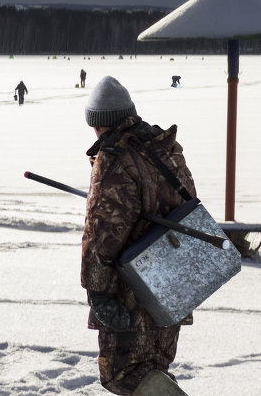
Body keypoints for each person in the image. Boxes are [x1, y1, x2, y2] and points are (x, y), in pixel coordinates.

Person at [81, 76, 194, 396]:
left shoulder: (115, 158)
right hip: (176, 280)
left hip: (135, 288)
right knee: (154, 367)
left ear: (98, 124)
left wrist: (98, 291)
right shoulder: (164, 147)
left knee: (122, 372)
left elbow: (102, 235)